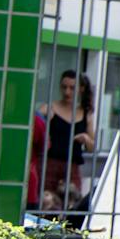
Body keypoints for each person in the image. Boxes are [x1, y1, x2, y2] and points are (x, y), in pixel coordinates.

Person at [36, 70, 95, 211]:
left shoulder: (86, 114)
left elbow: (92, 147)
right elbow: (34, 128)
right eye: (64, 87)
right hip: (49, 164)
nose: (67, 92)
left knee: (71, 206)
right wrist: (45, 120)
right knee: (46, 205)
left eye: (72, 88)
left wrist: (86, 139)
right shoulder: (50, 108)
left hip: (71, 167)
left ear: (81, 89)